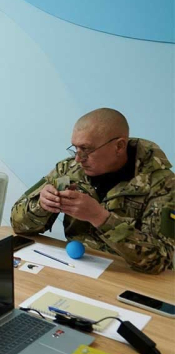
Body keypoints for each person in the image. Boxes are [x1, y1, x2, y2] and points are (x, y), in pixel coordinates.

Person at [11, 108, 174, 274]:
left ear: (119, 146)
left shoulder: (162, 183)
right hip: (76, 268)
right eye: (75, 148)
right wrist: (41, 205)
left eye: (86, 149)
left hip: (130, 277)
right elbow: (18, 226)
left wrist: (99, 217)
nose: (78, 158)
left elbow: (160, 261)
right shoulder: (69, 170)